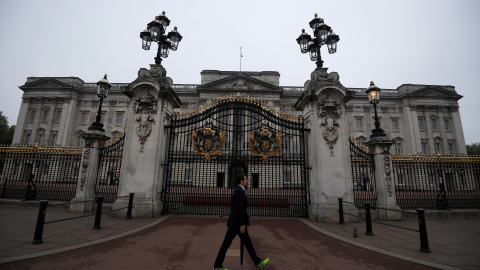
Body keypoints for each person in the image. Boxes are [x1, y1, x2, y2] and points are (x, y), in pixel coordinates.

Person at [213, 173, 269, 270]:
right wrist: (242, 224)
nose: (247, 180)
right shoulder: (239, 191)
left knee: (246, 243)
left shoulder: (240, 191)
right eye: (246, 179)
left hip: (236, 223)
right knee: (227, 244)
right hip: (236, 224)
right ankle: (217, 266)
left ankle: (258, 262)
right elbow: (239, 209)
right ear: (241, 181)